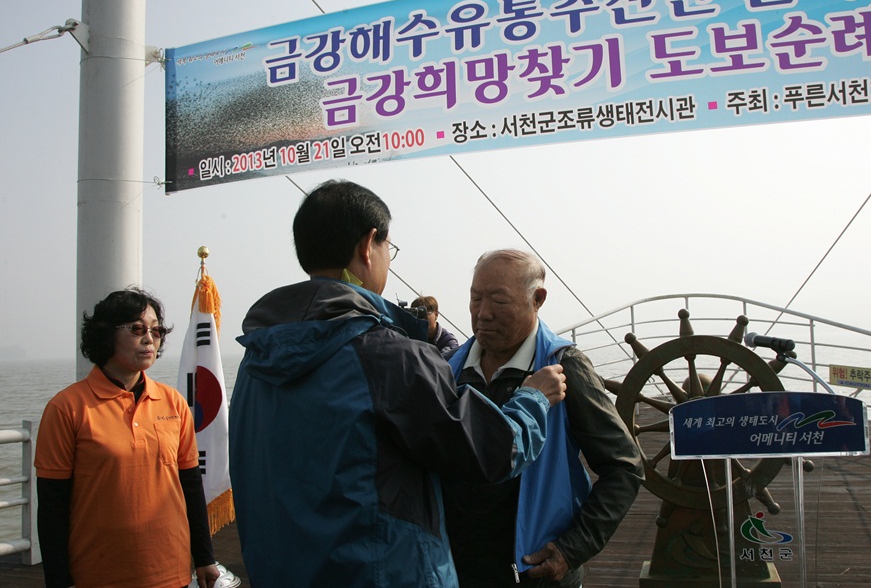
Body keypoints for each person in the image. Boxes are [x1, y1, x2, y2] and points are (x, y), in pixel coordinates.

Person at [228, 179, 567, 588]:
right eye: (389, 247)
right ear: (368, 245)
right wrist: (533, 398)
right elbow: (494, 451)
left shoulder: (257, 356)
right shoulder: (388, 355)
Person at [443, 249, 645, 587]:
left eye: (499, 301)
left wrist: (571, 550)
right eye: (475, 298)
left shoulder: (565, 367)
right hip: (454, 569)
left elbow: (625, 466)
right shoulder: (448, 369)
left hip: (534, 573)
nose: (483, 313)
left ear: (537, 299)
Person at [34, 289, 219, 588]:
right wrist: (58, 579)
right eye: (137, 329)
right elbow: (52, 506)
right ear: (106, 334)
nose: (150, 338)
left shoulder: (173, 402)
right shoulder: (67, 408)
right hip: (97, 574)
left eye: (156, 330)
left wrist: (204, 557)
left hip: (170, 571)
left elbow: (190, 486)